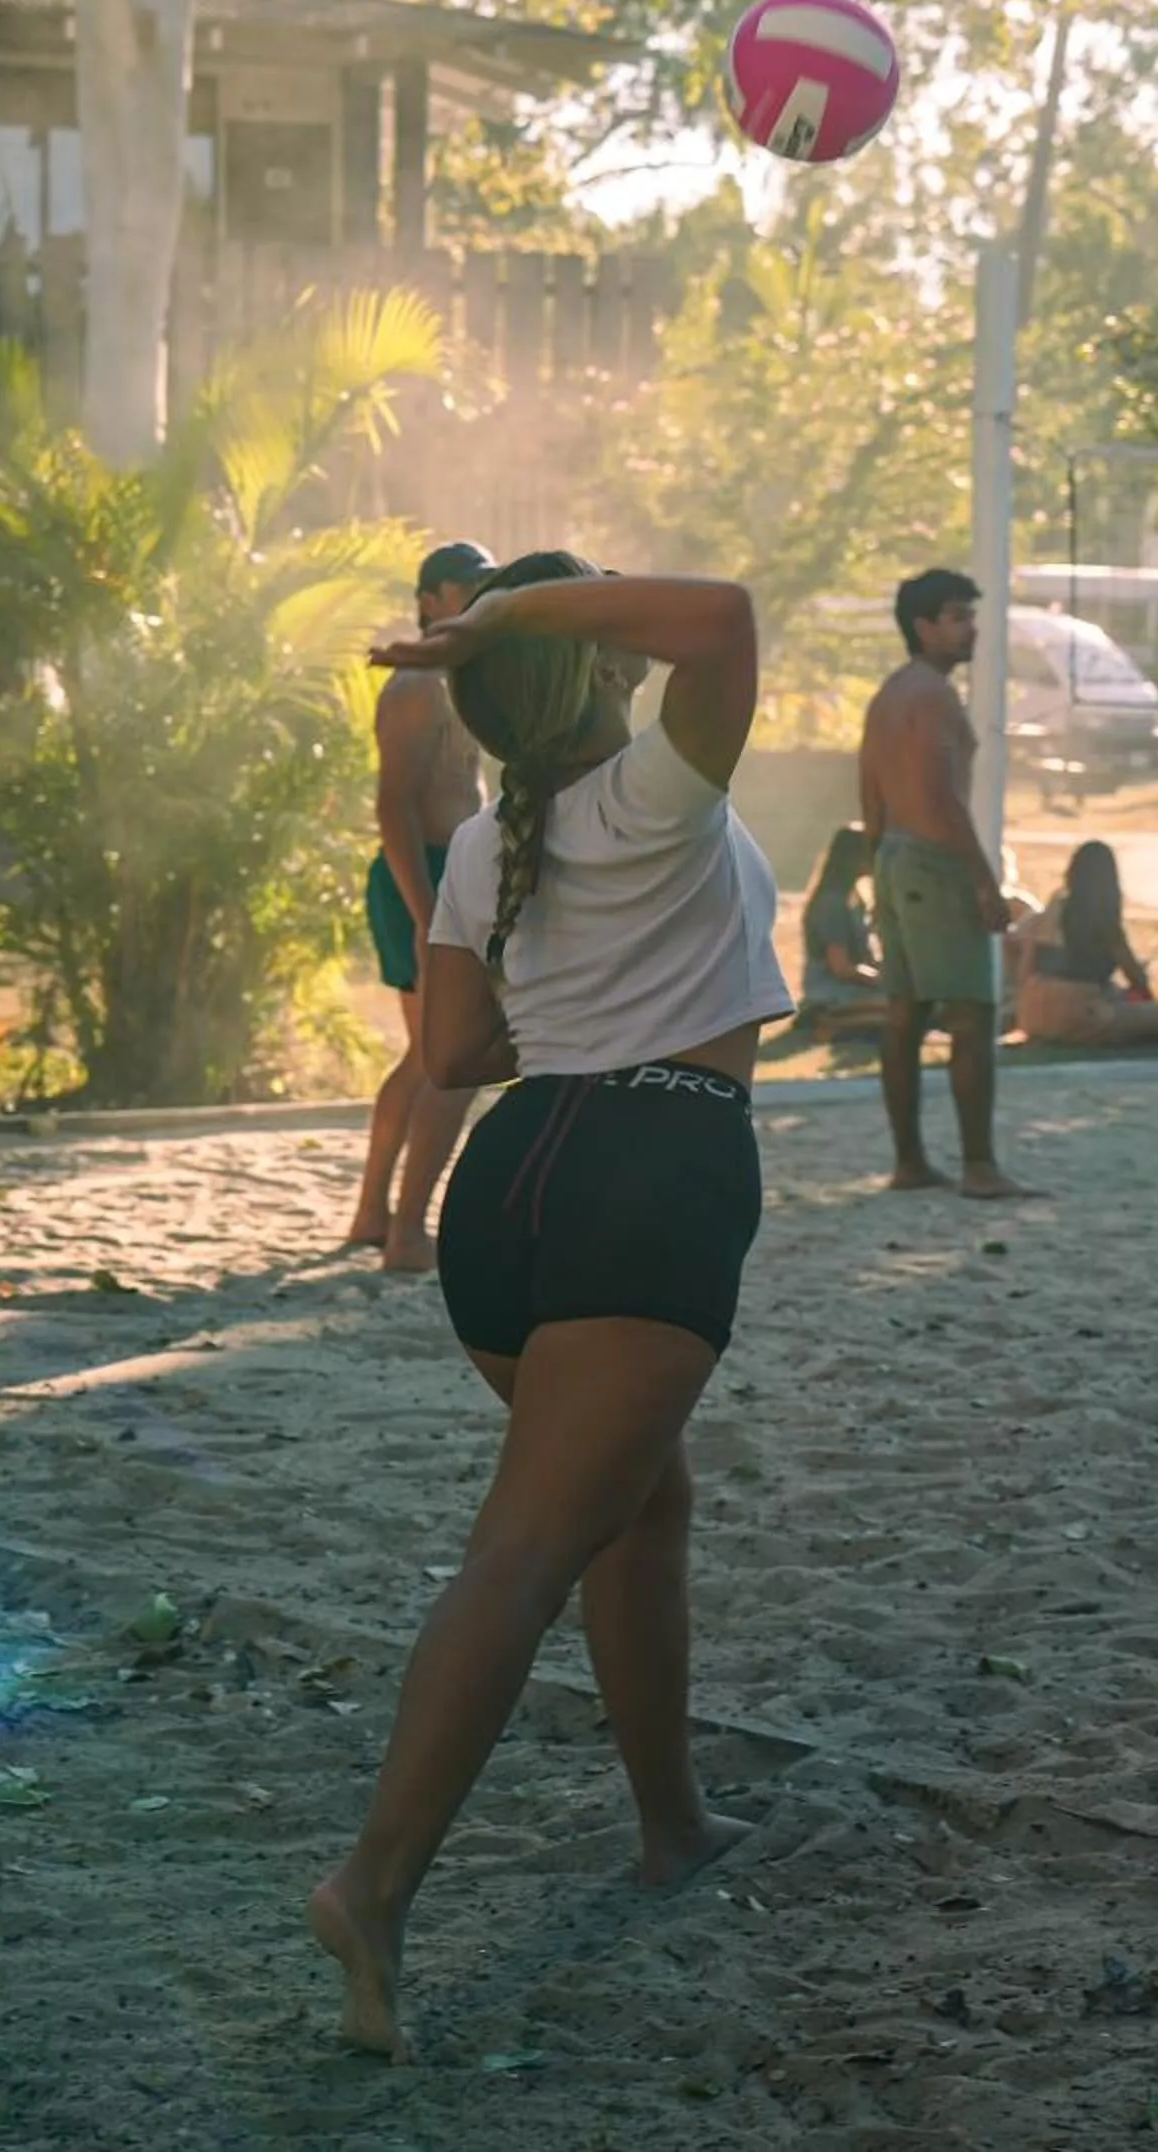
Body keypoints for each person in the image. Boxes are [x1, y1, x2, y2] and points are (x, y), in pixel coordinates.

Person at [311, 556, 792, 2060]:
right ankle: (372, 1885)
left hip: (512, 1195)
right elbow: (721, 615)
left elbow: (453, 1053)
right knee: (523, 1552)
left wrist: (588, 1016)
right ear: (582, 664)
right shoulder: (658, 792)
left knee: (637, 1508)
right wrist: (522, 611)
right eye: (589, 624)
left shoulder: (486, 842)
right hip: (646, 1177)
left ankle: (673, 1823)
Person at [858, 566, 1031, 1199]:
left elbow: (870, 793)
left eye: (971, 615)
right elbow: (939, 795)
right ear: (923, 626)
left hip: (896, 859)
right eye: (957, 616)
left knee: (905, 1014)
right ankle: (980, 1166)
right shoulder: (930, 694)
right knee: (972, 1015)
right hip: (933, 858)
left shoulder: (890, 693)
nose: (971, 628)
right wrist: (984, 880)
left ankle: (910, 1161)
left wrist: (878, 869)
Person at [346, 541, 493, 1272]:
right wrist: (427, 910)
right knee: (449, 1062)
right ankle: (406, 1236)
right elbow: (394, 809)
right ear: (429, 598)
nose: (478, 597)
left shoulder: (467, 677)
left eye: (486, 586)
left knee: (424, 1058)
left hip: (458, 874)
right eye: (464, 587)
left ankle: (372, 1215)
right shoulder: (414, 687)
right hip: (424, 877)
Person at [1014, 840, 1158, 1049]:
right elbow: (1136, 979)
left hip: (1033, 1016)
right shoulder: (1102, 917)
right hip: (1085, 1015)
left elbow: (1026, 970)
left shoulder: (1051, 910)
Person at [798, 823, 887, 1036]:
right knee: (899, 1011)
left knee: (910, 1005)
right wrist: (880, 980)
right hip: (830, 994)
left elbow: (866, 959)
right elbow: (842, 968)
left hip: (856, 988)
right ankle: (829, 1022)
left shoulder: (856, 901)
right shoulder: (832, 904)